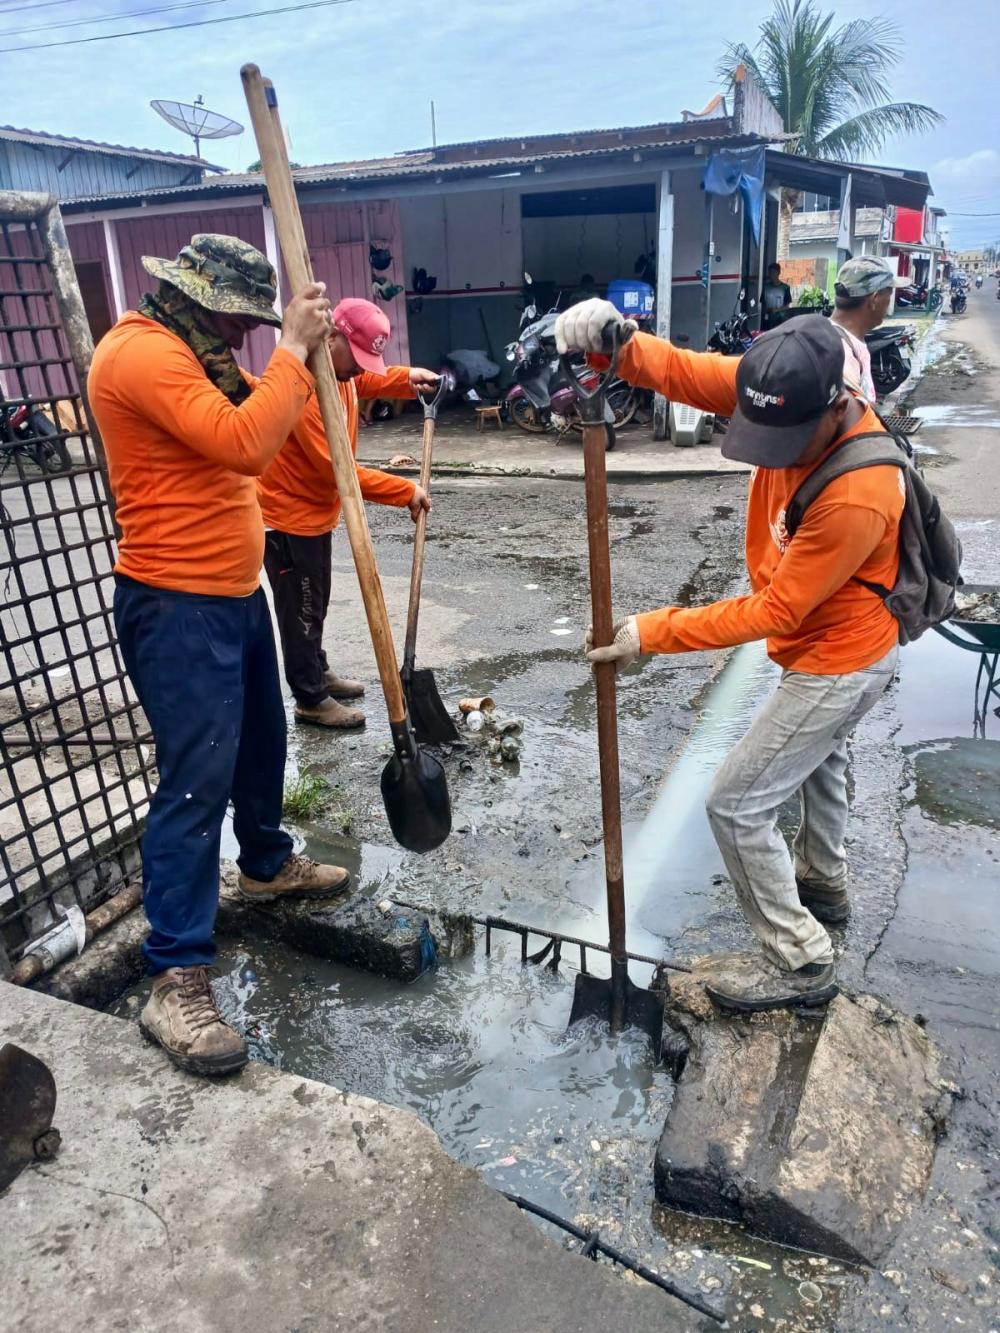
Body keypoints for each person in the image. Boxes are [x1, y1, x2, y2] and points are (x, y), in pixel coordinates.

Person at [554, 299, 904, 1013]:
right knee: (820, 761)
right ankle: (824, 881)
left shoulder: (861, 490)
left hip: (843, 656)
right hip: (825, 641)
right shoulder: (779, 385)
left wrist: (652, 631)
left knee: (738, 804)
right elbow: (683, 372)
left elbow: (775, 609)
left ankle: (800, 959)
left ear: (835, 407)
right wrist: (619, 344)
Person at [89, 234, 352, 1077]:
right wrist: (291, 347)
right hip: (175, 605)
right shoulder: (140, 355)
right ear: (200, 298)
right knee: (195, 782)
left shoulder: (199, 352)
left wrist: (314, 359)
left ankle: (267, 864)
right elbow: (245, 442)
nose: (244, 336)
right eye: (238, 318)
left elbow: (269, 411)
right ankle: (176, 975)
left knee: (262, 746)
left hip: (234, 598)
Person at [258, 299, 436, 729]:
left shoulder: (338, 371)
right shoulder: (301, 384)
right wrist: (405, 491)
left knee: (314, 602)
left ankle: (317, 670)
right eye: (355, 359)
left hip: (314, 514)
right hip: (287, 518)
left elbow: (366, 383)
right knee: (301, 609)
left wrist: (406, 377)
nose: (359, 369)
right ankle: (310, 697)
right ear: (331, 336)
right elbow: (336, 468)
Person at [829, 256, 901, 402]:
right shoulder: (843, 356)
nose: (890, 301)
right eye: (890, 293)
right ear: (875, 299)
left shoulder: (843, 338)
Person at [761, 262, 792, 329]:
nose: (770, 275)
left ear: (778, 273)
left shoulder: (785, 288)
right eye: (769, 273)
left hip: (780, 319)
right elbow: (763, 303)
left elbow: (787, 306)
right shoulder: (766, 287)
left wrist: (776, 310)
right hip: (767, 319)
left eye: (773, 272)